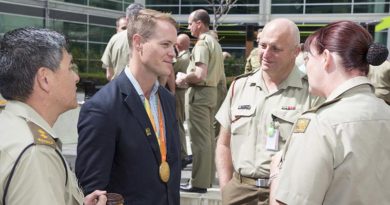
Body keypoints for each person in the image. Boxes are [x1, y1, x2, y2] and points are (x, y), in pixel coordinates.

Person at [269, 20, 390, 205]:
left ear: (326, 58)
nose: (305, 68)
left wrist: (276, 173)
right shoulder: (385, 112)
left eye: (308, 59)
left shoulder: (320, 123)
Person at [75, 9, 180, 204]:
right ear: (138, 43)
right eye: (165, 44)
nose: (172, 54)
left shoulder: (167, 100)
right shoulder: (102, 108)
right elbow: (93, 191)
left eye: (174, 46)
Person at [215, 18, 318, 204]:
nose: (265, 54)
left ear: (296, 51)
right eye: (262, 45)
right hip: (240, 192)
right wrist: (226, 188)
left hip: (286, 193)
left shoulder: (312, 91)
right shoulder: (240, 86)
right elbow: (223, 143)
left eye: (276, 48)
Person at [0, 27, 107, 205]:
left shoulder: (10, 125)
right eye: (70, 67)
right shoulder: (36, 154)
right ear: (45, 79)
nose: (77, 77)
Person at [176, 9, 224, 193]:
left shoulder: (202, 44)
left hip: (200, 94)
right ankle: (206, 180)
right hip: (211, 94)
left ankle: (198, 183)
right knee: (209, 140)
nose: (188, 27)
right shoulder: (215, 43)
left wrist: (183, 78)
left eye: (190, 23)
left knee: (200, 141)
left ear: (199, 23)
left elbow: (199, 74)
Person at [101, 3, 144, 81]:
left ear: (127, 19)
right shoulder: (149, 39)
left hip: (118, 88)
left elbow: (109, 74)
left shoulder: (114, 39)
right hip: (143, 90)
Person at [173, 33, 191, 169]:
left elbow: (171, 72)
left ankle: (182, 154)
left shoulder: (182, 58)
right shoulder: (188, 56)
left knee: (178, 122)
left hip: (179, 93)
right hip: (182, 93)